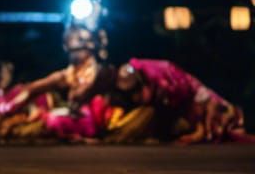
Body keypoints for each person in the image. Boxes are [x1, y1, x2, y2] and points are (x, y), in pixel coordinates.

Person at [106, 58, 249, 144]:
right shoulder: (143, 74)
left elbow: (190, 100)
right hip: (182, 108)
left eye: (135, 91)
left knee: (225, 126)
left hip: (201, 105)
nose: (134, 97)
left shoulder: (164, 80)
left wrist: (198, 132)